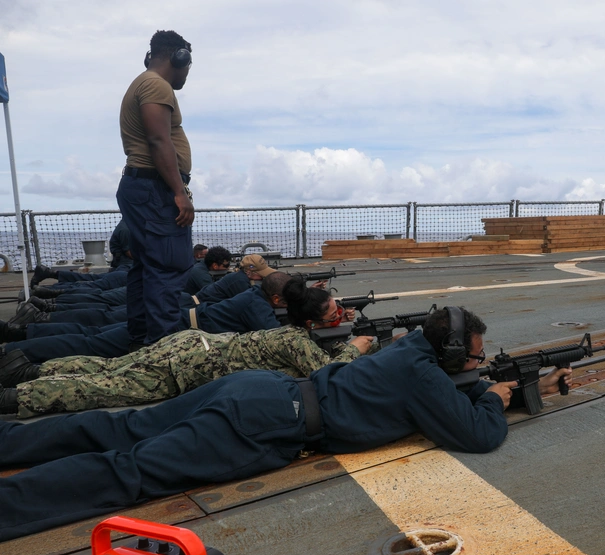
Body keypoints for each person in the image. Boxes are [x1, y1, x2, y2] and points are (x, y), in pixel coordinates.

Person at [0, 306, 570, 541]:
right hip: (267, 426)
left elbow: (436, 392)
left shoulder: (407, 354)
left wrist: (506, 384)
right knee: (129, 472)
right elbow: (480, 436)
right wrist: (497, 395)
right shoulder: (425, 377)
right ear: (447, 354)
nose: (473, 364)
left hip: (257, 389)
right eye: (469, 357)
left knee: (118, 430)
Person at [0, 279, 373, 418]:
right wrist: (355, 347)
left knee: (107, 366)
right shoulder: (295, 341)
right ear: (311, 322)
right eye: (332, 311)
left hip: (189, 344)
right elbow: (327, 373)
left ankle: (28, 369)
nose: (338, 314)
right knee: (105, 388)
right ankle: (17, 396)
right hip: (187, 366)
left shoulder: (286, 330)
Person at [1, 271, 293, 363]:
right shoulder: (256, 306)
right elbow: (277, 338)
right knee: (92, 342)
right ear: (277, 300)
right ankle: (16, 347)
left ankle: (19, 336)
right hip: (171, 327)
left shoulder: (253, 296)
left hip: (172, 319)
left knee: (93, 333)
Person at [116, 29, 195, 352]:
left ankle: (141, 344)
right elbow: (158, 139)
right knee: (166, 269)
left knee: (147, 269)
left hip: (144, 188)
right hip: (155, 189)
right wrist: (179, 192)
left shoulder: (144, 82)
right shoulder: (155, 85)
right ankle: (164, 355)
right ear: (180, 58)